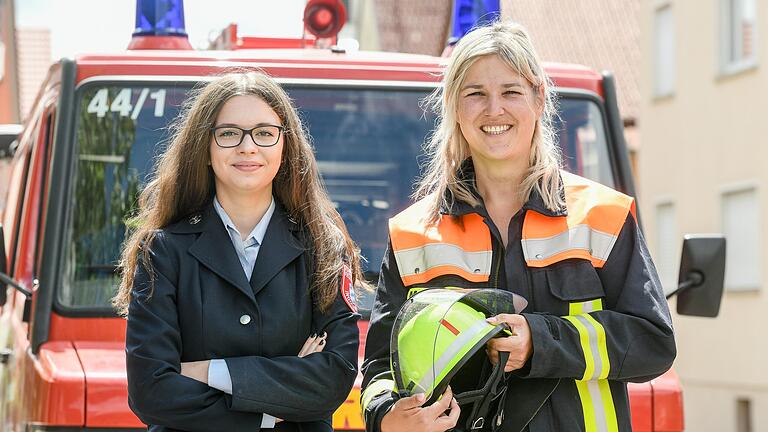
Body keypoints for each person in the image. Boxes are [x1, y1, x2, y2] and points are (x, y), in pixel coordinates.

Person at [361, 21, 676, 432]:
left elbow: (652, 344)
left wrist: (541, 341)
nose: (495, 110)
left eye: (511, 91)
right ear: (456, 107)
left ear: (539, 98)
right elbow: (380, 366)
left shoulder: (602, 215)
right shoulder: (412, 233)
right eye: (475, 94)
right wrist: (386, 416)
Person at [114, 71, 363, 432]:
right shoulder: (164, 250)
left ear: (285, 147)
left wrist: (209, 372)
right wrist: (275, 406)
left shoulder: (323, 247)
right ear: (206, 149)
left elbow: (335, 377)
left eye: (264, 133)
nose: (248, 147)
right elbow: (150, 391)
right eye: (229, 133)